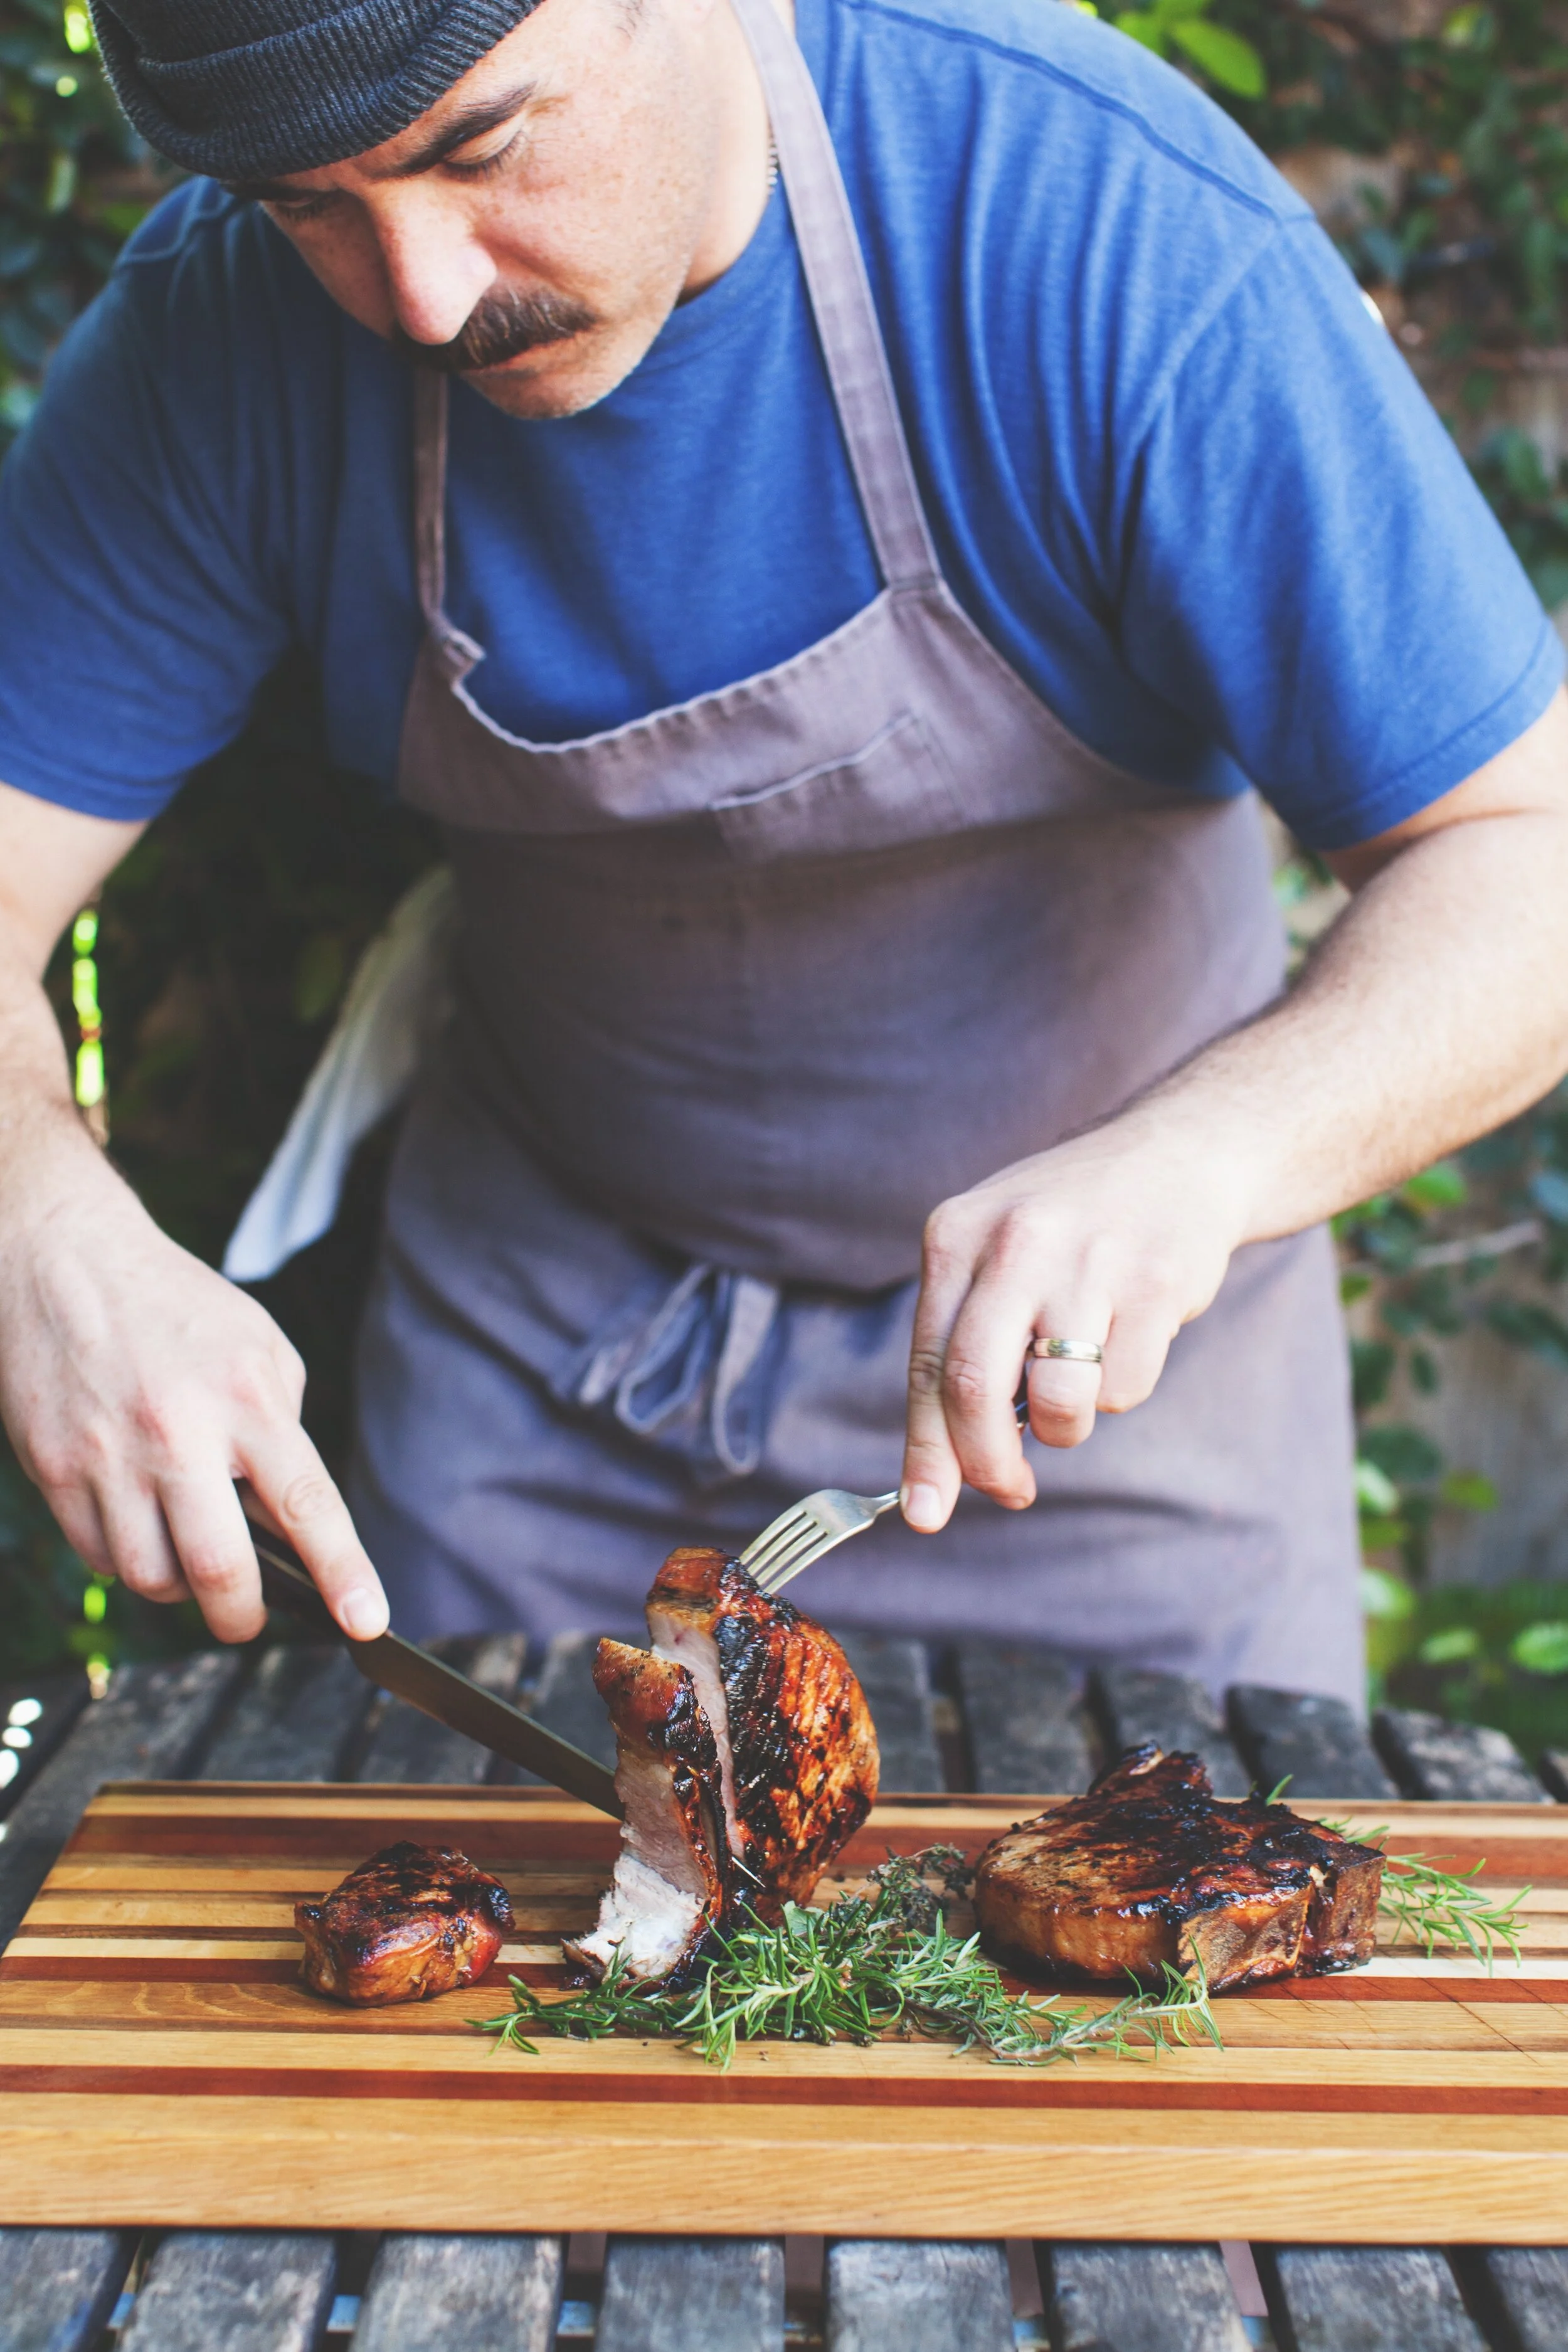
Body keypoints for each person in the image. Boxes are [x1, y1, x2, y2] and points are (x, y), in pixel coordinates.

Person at [0, 0, 1565, 1708]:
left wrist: (1207, 1153)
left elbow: (1522, 853)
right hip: (532, 1405)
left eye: (482, 148)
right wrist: (39, 1219)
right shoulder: (217, 329)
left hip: (1104, 1424)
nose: (425, 298)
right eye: (313, 206)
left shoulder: (1094, 226)